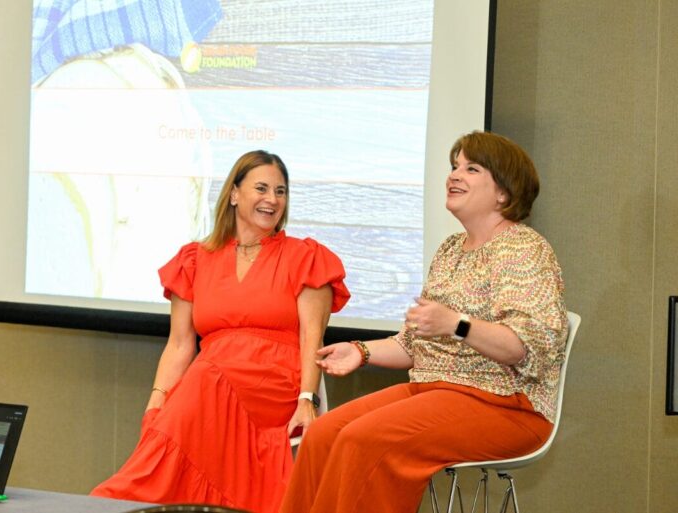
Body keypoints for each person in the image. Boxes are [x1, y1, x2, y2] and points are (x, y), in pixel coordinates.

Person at [279, 131, 568, 513]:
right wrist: (360, 351)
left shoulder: (523, 249)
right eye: (454, 166)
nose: (454, 175)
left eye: (471, 168)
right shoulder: (450, 249)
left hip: (507, 406)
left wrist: (457, 324)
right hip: (434, 391)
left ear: (504, 193)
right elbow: (412, 345)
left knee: (365, 440)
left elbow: (525, 347)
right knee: (323, 435)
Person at [91, 150, 350, 513]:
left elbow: (312, 338)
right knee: (187, 396)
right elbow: (180, 345)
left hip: (274, 384)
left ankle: (126, 501)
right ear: (233, 194)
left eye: (280, 191)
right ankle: (134, 498)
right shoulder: (195, 259)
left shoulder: (304, 257)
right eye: (261, 188)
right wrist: (157, 397)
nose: (272, 200)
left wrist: (307, 400)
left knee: (205, 380)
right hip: (209, 383)